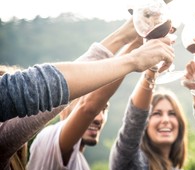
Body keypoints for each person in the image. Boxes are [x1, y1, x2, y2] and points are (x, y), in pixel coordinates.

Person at [26, 18, 156, 170]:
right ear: (63, 107)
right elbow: (89, 107)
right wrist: (134, 52)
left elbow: (91, 104)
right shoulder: (48, 139)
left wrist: (136, 44)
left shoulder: (82, 166)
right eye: (83, 101)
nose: (99, 117)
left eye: (105, 108)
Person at [0, 34, 174, 123]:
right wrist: (133, 59)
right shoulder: (50, 142)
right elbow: (42, 89)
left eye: (104, 109)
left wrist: (129, 36)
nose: (97, 117)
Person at [109, 67, 194, 170]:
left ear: (180, 124)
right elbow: (135, 118)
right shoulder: (130, 163)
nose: (165, 120)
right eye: (157, 113)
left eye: (172, 114)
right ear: (145, 123)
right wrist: (152, 71)